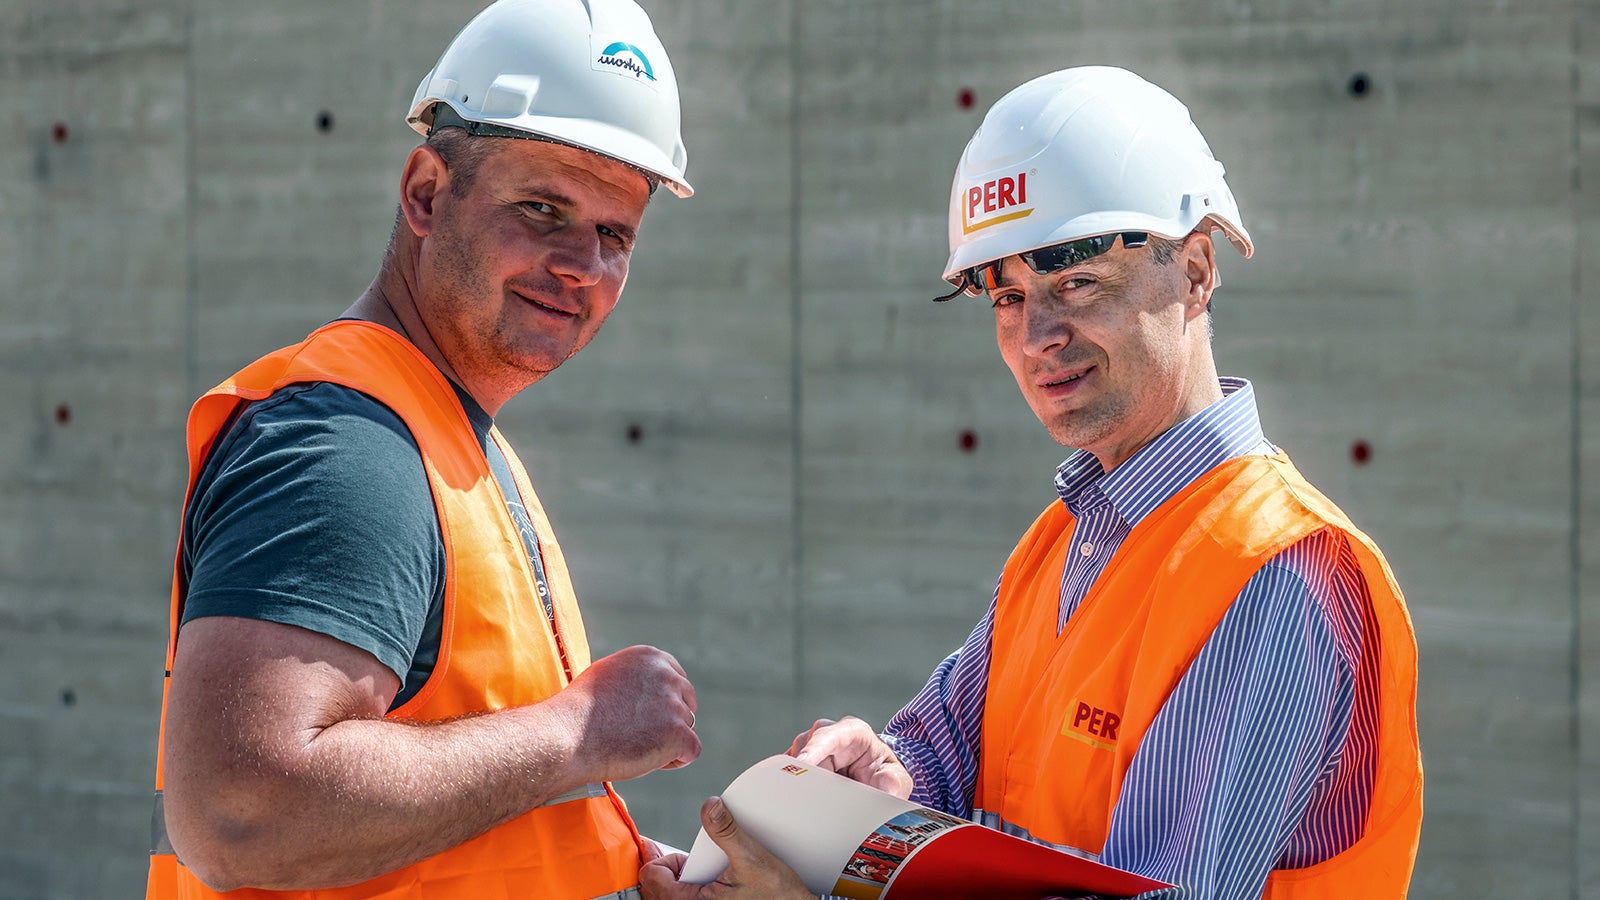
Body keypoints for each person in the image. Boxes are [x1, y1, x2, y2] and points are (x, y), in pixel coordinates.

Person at [641, 67, 1422, 900]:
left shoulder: (1282, 573)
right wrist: (885, 786)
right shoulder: (1066, 538)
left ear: (1195, 271)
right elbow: (944, 759)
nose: (1037, 335)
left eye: (1075, 280)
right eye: (1005, 297)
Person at [145, 1, 702, 897]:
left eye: (614, 234)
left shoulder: (448, 438)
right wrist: (582, 732)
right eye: (543, 208)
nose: (582, 266)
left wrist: (605, 863)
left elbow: (466, 803)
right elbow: (242, 815)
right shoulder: (348, 447)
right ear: (426, 193)